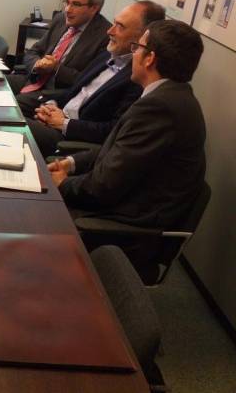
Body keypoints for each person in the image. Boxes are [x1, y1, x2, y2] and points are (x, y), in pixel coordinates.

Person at [49, 20, 205, 275]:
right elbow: (116, 148)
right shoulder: (168, 96)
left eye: (137, 47)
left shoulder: (160, 107)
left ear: (149, 58)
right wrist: (71, 164)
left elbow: (103, 187)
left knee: (32, 218)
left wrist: (64, 183)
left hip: (127, 227)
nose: (133, 54)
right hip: (126, 204)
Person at [27, 1, 165, 157]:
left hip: (70, 137)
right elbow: (74, 90)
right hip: (57, 114)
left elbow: (113, 130)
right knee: (11, 109)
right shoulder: (107, 54)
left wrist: (63, 123)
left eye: (120, 26)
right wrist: (51, 106)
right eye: (114, 23)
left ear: (143, 37)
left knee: (12, 129)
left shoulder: (138, 78)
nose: (110, 31)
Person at [10, 0, 112, 115]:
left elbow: (88, 81)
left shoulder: (105, 36)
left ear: (94, 8)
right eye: (67, 2)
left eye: (76, 4)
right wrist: (37, 64)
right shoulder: (61, 19)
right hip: (34, 79)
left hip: (59, 92)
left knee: (12, 105)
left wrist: (56, 68)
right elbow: (34, 51)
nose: (68, 9)